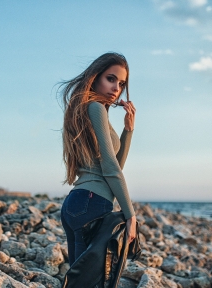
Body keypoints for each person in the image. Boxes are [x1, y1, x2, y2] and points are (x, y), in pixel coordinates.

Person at [60, 52, 137, 266]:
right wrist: (130, 215)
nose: (116, 88)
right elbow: (112, 168)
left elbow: (112, 165)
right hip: (92, 204)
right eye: (110, 79)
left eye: (121, 83)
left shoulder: (86, 109)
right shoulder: (95, 108)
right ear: (95, 77)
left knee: (77, 279)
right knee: (92, 280)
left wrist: (128, 130)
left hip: (76, 203)